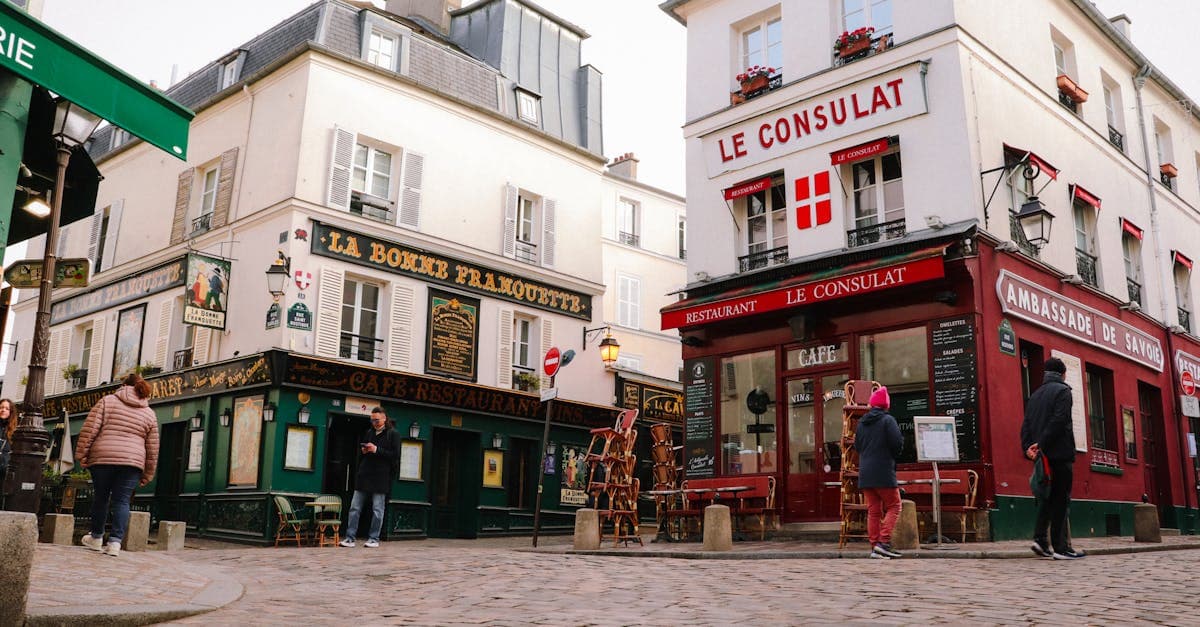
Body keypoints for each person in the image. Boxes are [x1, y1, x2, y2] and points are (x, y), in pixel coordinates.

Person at [74, 373, 159, 557]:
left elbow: (90, 429)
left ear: (123, 385)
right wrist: (148, 473)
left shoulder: (107, 401)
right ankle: (115, 543)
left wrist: (81, 454)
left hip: (103, 458)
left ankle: (96, 538)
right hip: (132, 463)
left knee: (101, 498)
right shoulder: (149, 413)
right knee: (122, 500)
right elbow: (153, 448)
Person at [1020, 356, 1084, 560]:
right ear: (1063, 373)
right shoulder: (1064, 391)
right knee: (1061, 500)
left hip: (1042, 456)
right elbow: (1060, 420)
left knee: (1047, 498)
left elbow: (1026, 425)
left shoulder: (1035, 396)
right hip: (1059, 453)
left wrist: (1028, 448)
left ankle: (1040, 540)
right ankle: (1061, 548)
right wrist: (1043, 444)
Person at [855, 385, 903, 559]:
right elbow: (897, 444)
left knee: (873, 511)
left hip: (866, 472)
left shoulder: (861, 423)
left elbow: (857, 446)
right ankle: (883, 542)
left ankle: (875, 545)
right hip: (883, 470)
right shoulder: (887, 420)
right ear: (886, 405)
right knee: (895, 506)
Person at [340, 407, 400, 548]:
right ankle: (350, 538)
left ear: (384, 418)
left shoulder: (393, 434)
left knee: (378, 509)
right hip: (364, 475)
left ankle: (374, 539)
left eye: (376, 420)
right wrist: (365, 450)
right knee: (354, 508)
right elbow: (363, 454)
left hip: (381, 477)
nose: (374, 422)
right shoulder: (369, 432)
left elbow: (395, 455)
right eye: (372, 420)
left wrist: (376, 450)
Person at [0, 398, 15, 506]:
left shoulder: (13, 430)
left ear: (10, 412)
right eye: (1, 407)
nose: (3, 410)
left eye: (6, 408)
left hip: (4, 467)